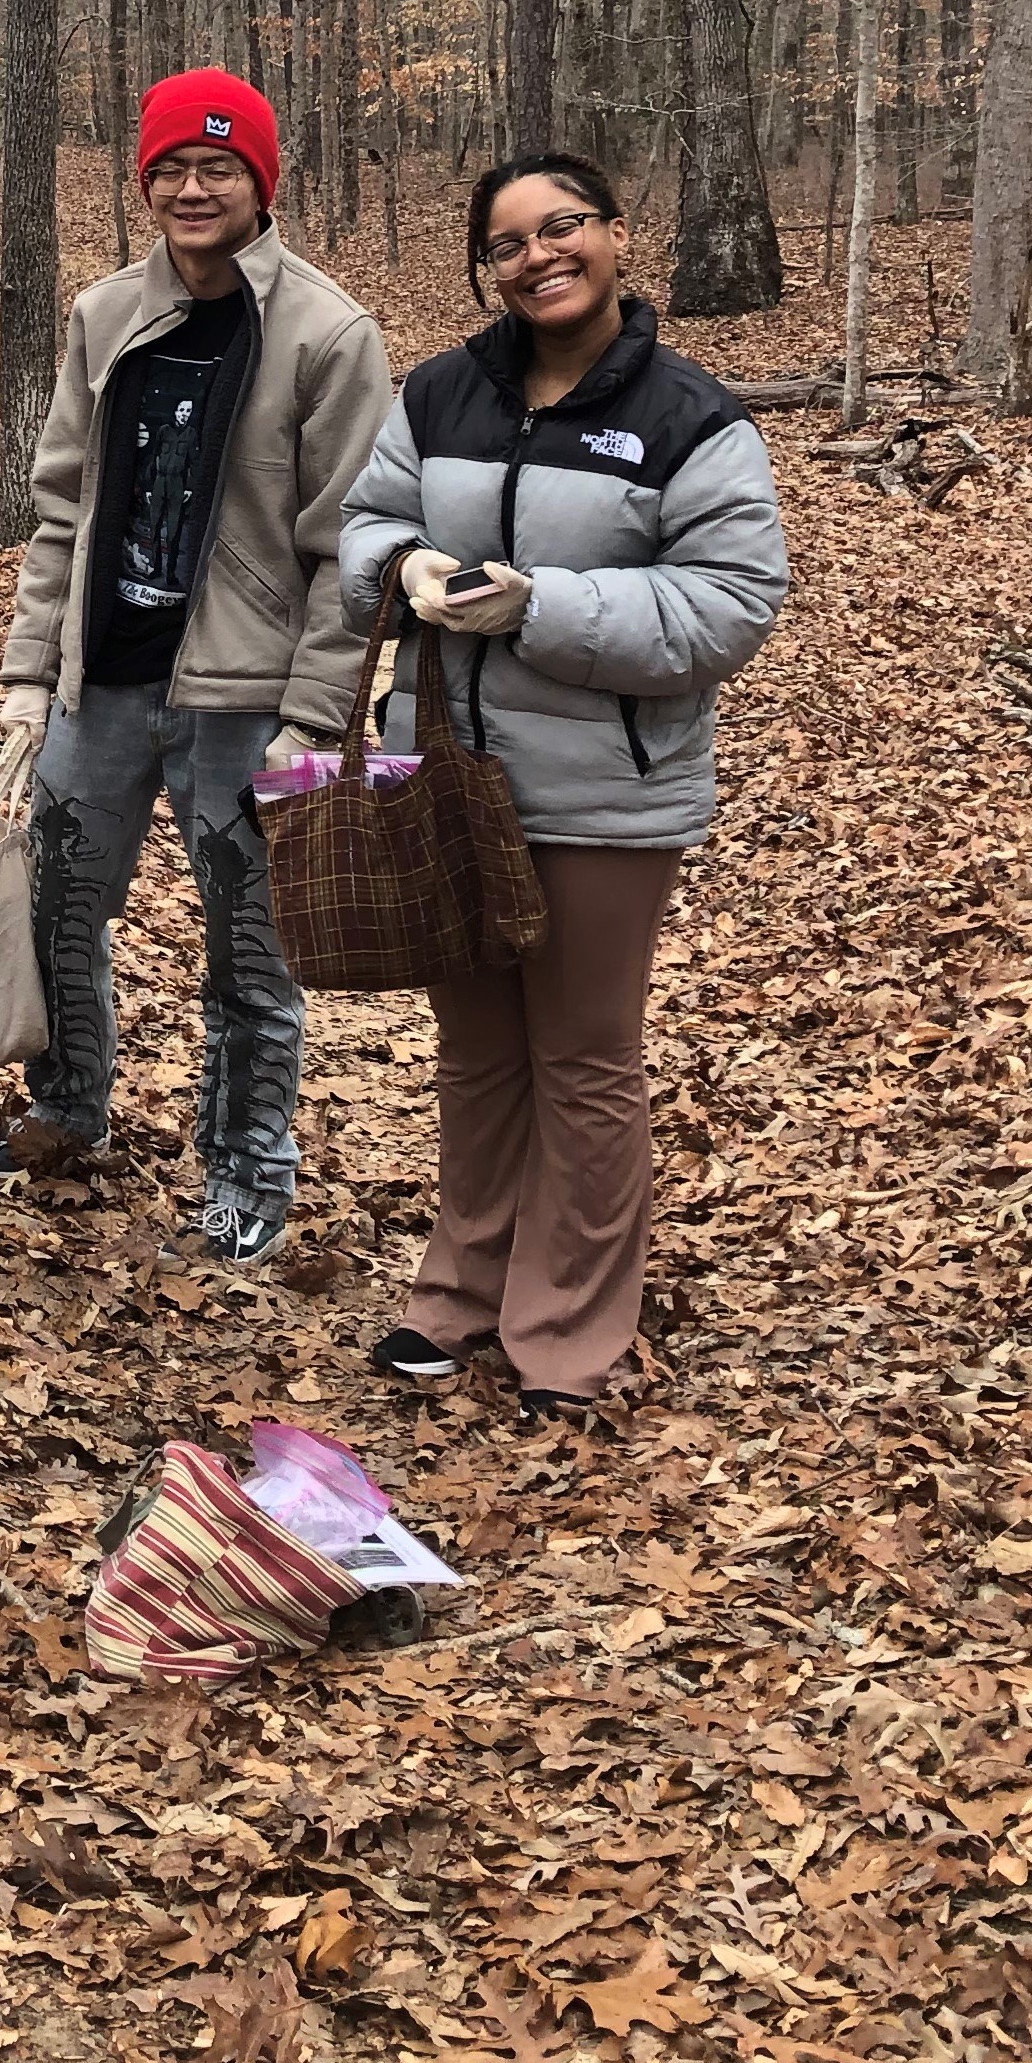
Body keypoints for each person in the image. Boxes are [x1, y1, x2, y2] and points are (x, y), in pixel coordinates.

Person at [337, 152, 786, 1416]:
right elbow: (363, 525)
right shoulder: (441, 392)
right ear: (484, 267)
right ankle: (461, 1294)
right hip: (447, 776)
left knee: (582, 1059)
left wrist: (542, 608)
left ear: (619, 237)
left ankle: (569, 1333)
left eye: (563, 228)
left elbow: (730, 604)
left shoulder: (690, 417)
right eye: (508, 243)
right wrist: (408, 568)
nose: (538, 257)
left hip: (606, 794)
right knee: (477, 1053)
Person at [0, 70, 392, 1263]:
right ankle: (68, 1111)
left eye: (221, 167)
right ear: (145, 181)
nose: (195, 188)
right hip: (103, 681)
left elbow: (351, 551)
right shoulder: (105, 315)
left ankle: (249, 1171)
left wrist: (315, 718)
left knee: (251, 951)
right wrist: (29, 668)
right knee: (59, 908)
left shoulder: (328, 333)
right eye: (171, 167)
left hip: (249, 700)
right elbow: (61, 510)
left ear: (262, 183)